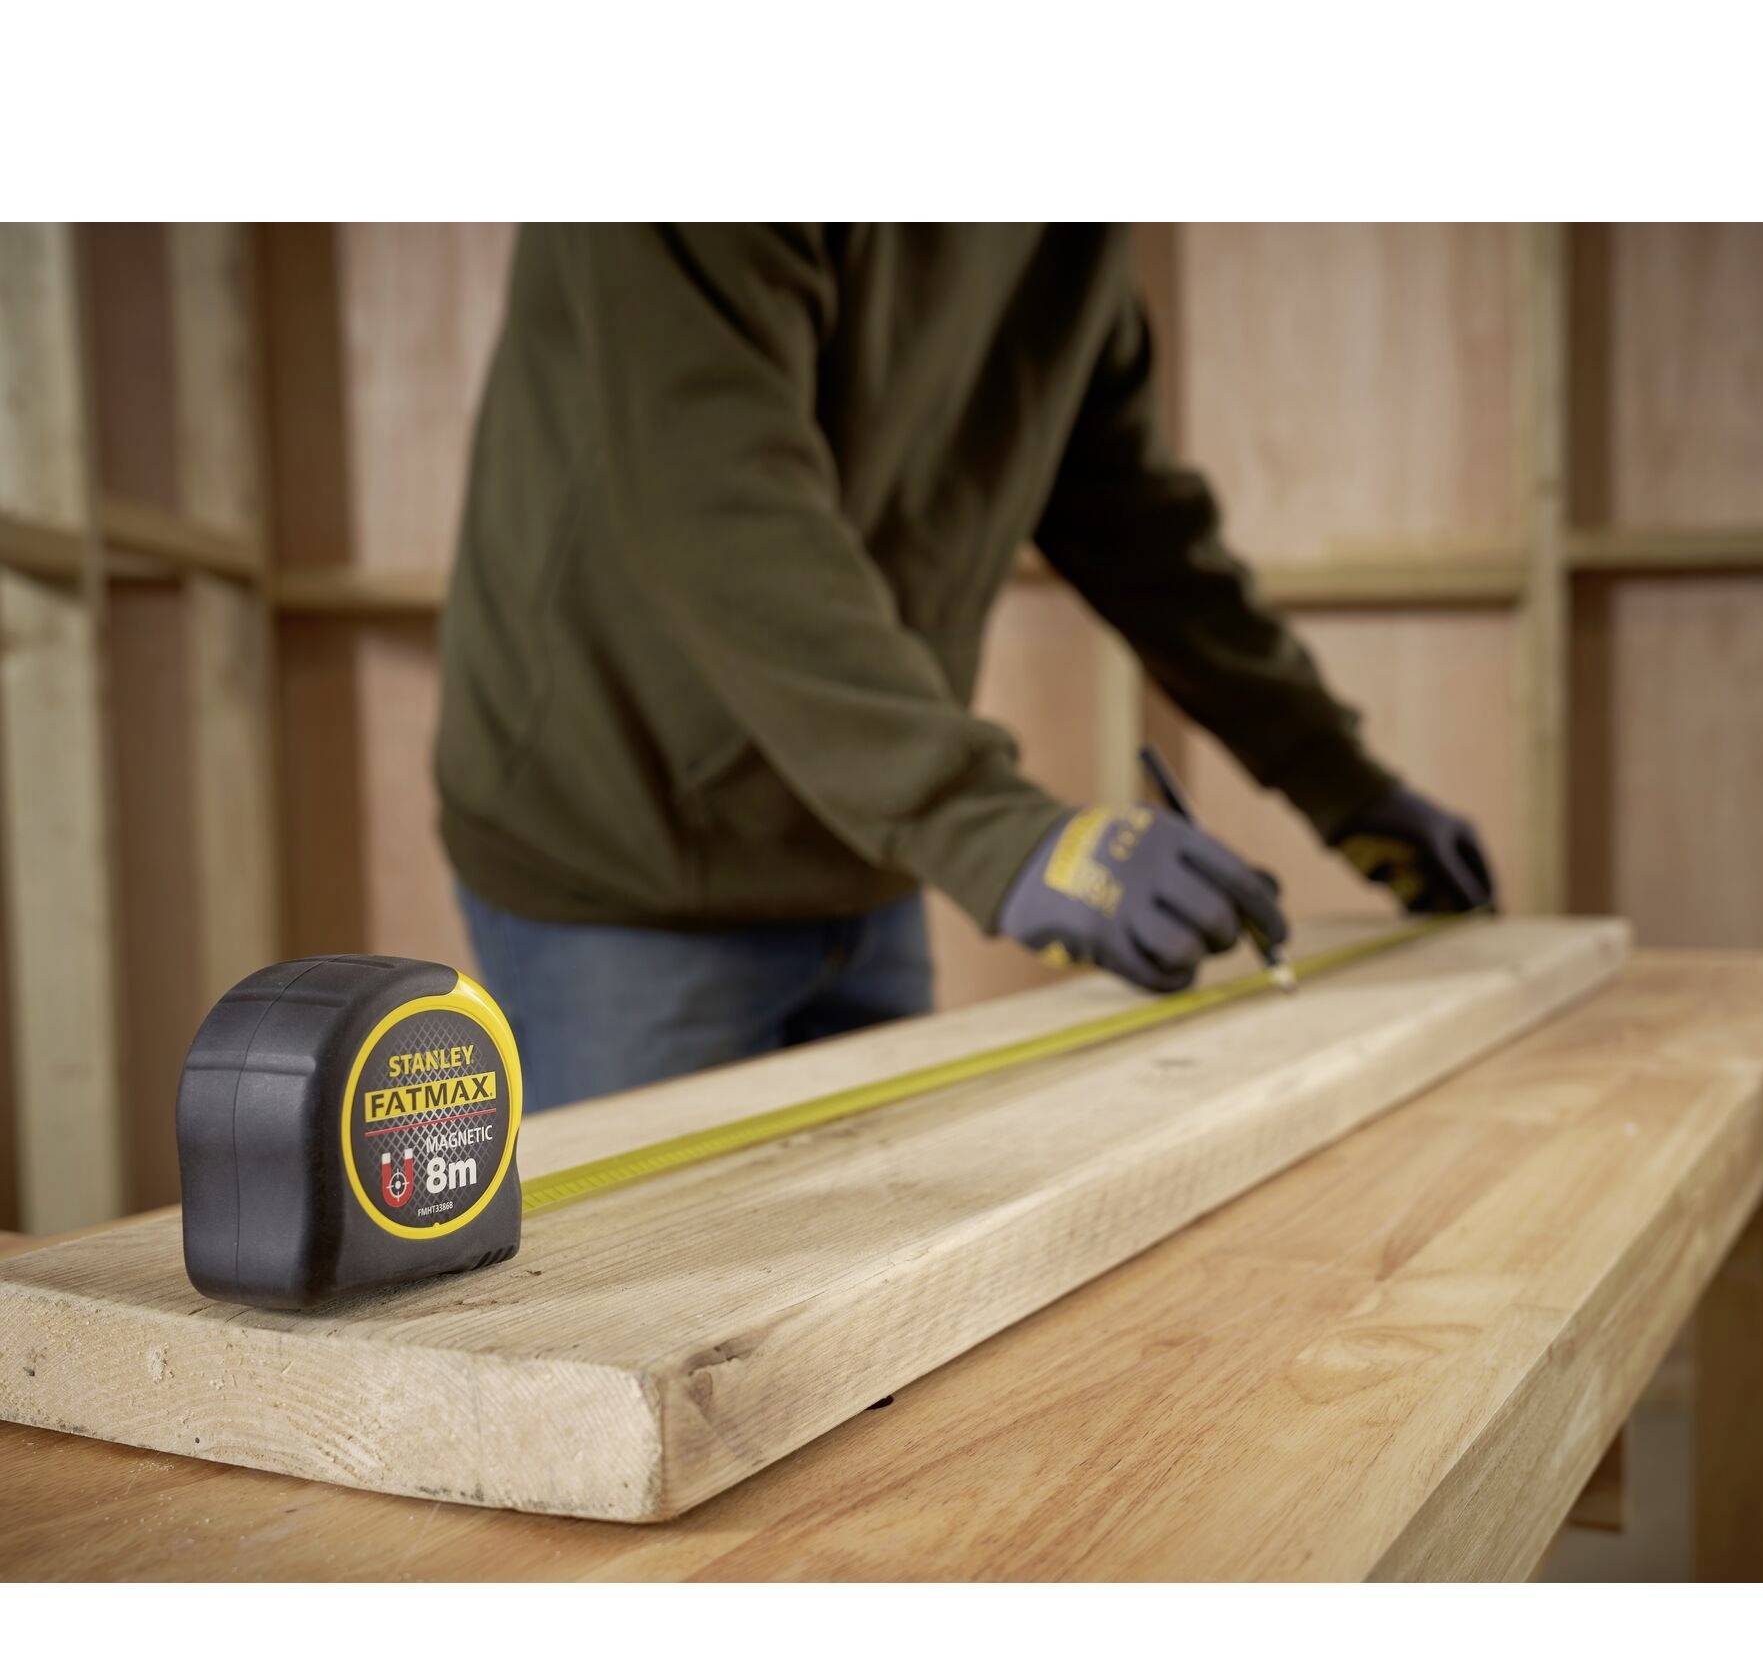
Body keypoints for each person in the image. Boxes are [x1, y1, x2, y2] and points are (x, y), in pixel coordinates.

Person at [435, 225, 1494, 1112]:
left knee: (875, 1323)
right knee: (660, 1323)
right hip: (624, 850)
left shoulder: (1066, 236)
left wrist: (1340, 778)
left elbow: (1138, 530)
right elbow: (717, 501)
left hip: (863, 840)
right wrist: (998, 832)